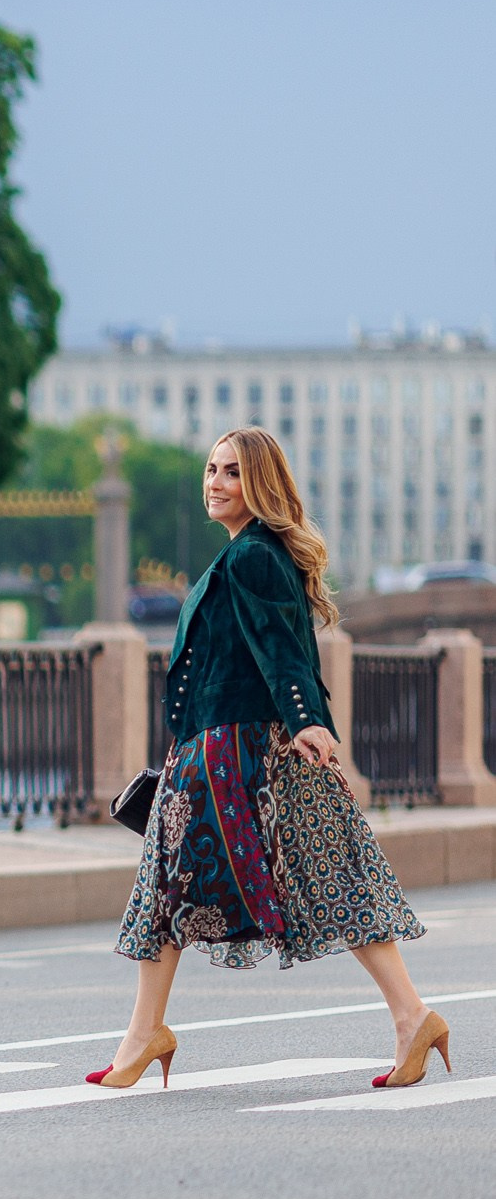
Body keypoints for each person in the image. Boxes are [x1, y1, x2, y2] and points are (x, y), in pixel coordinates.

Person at [92, 427, 446, 1091]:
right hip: (220, 747)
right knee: (307, 874)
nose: (215, 482)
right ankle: (410, 1015)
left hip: (244, 756)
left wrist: (309, 721)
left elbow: (284, 651)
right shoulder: (250, 553)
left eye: (231, 472)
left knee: (196, 882)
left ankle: (411, 1014)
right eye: (210, 469)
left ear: (258, 484)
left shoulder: (254, 555)